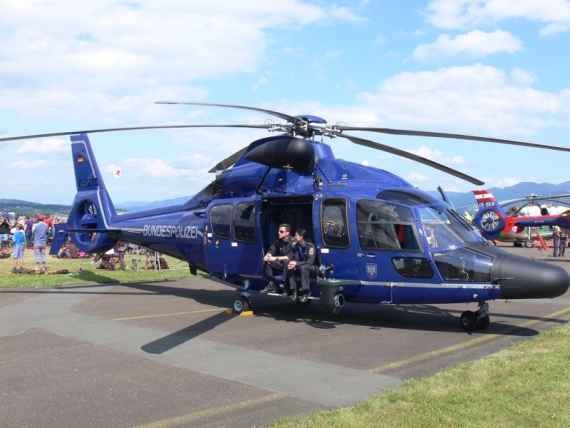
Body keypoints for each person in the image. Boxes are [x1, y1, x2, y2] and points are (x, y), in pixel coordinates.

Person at [286, 229, 318, 302]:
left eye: (296, 235)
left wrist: (297, 263)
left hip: (312, 267)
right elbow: (296, 258)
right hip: (301, 266)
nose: (294, 237)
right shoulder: (297, 246)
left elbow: (310, 262)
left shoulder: (311, 246)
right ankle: (294, 290)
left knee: (304, 267)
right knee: (290, 266)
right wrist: (293, 263)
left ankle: (306, 291)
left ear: (301, 237)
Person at [260, 224, 293, 294]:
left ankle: (287, 286)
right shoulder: (278, 241)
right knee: (267, 261)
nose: (279, 233)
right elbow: (272, 250)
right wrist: (268, 255)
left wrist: (275, 258)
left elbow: (290, 256)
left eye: (281, 231)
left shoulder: (293, 242)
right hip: (282, 264)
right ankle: (271, 284)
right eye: (278, 231)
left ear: (287, 233)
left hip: (292, 265)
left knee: (286, 261)